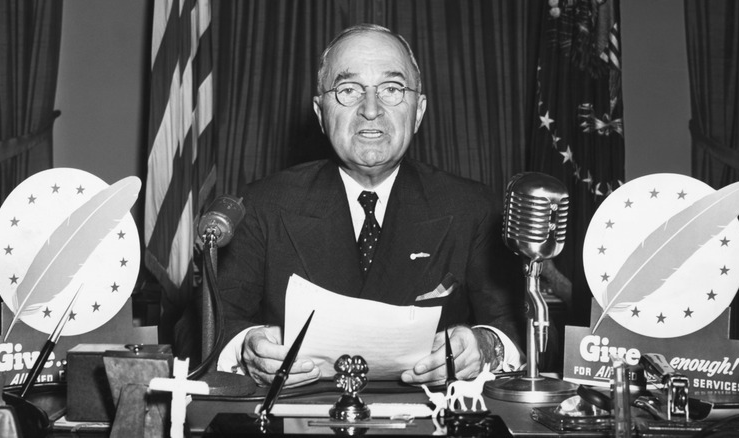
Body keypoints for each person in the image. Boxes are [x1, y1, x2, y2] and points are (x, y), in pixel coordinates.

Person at [216, 23, 526, 388]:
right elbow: (203, 328)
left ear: (420, 110)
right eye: (348, 90)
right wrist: (245, 349)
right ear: (320, 113)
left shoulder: (474, 207)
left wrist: (484, 347)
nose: (371, 109)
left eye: (392, 89)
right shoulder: (262, 205)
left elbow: (518, 329)